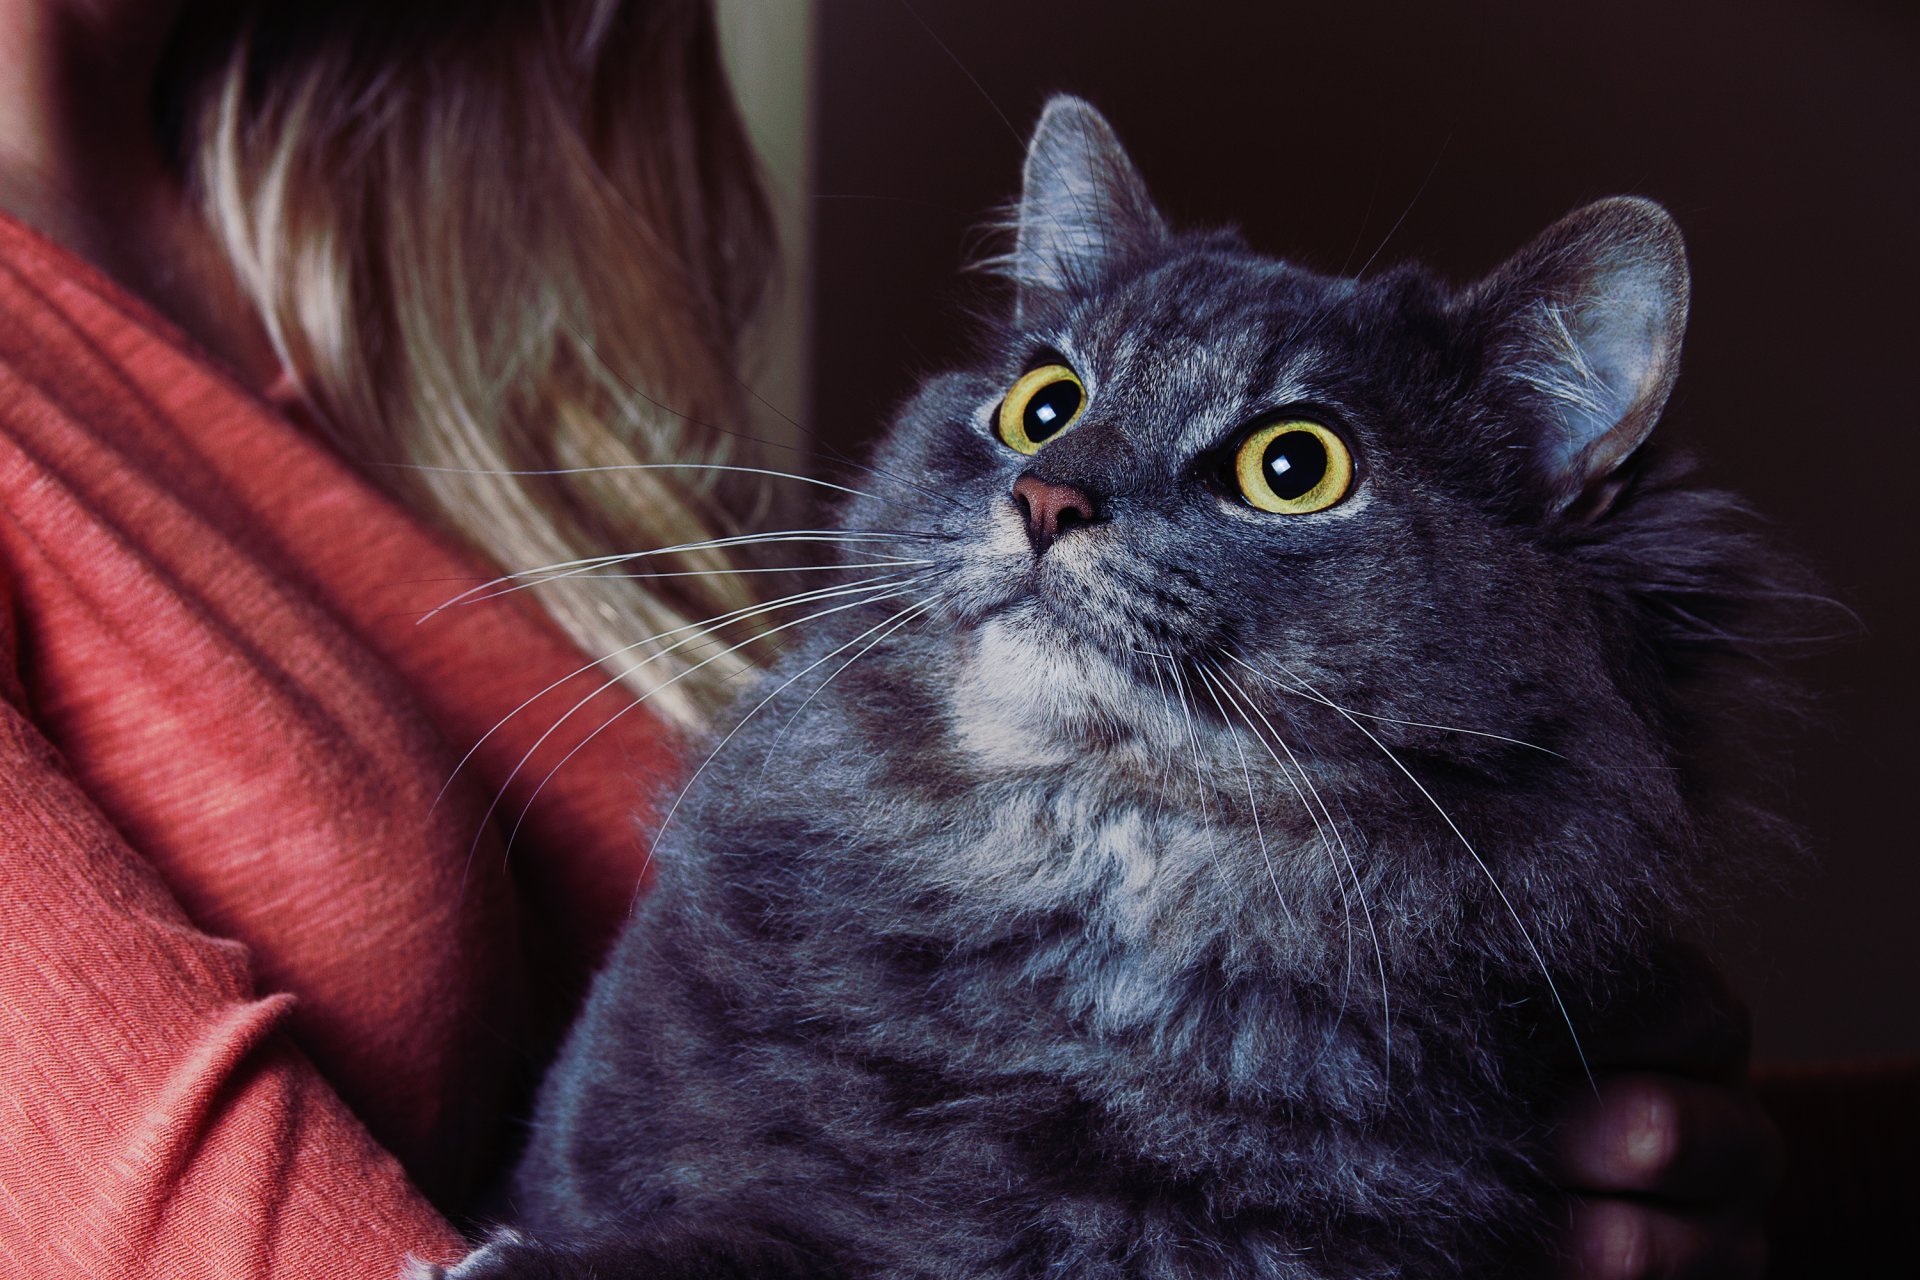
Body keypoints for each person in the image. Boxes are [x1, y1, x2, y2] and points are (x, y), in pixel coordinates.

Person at [0, 2, 1780, 1276]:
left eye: (1285, 466)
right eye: (1046, 410)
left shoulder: (411, 305)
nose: (1059, 489)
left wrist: (1584, 1153)